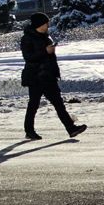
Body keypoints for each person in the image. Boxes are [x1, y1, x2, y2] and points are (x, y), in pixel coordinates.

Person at [21, 12, 87, 140]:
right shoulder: (27, 38)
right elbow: (28, 57)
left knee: (59, 104)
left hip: (48, 77)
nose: (47, 25)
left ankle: (71, 128)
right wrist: (45, 51)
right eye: (46, 23)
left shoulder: (46, 36)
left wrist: (53, 67)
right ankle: (29, 130)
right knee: (33, 105)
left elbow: (49, 58)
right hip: (35, 78)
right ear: (39, 24)